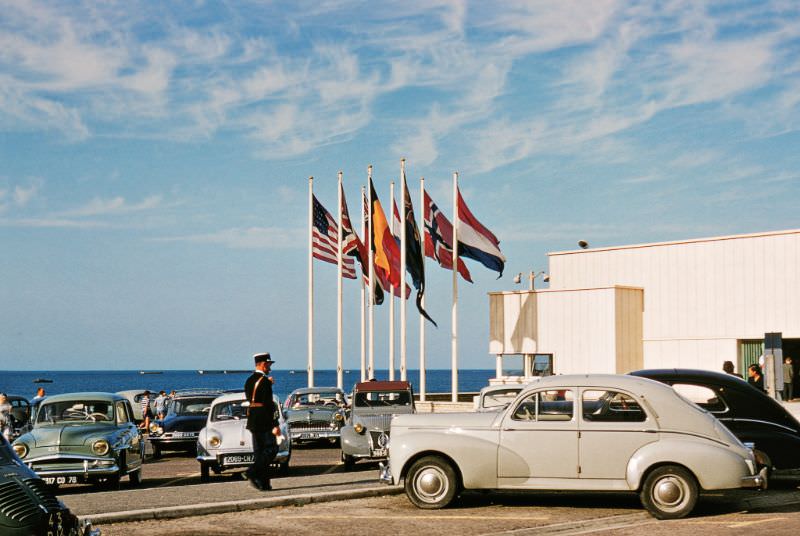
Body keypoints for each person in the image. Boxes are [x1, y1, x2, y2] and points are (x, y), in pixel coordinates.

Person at [244, 352, 280, 491]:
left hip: (253, 419)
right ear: (263, 364)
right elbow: (268, 404)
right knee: (271, 449)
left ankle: (264, 483)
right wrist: (274, 424)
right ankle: (252, 472)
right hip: (264, 420)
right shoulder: (264, 381)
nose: (270, 368)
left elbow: (251, 399)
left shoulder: (249, 380)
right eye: (269, 365)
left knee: (259, 452)